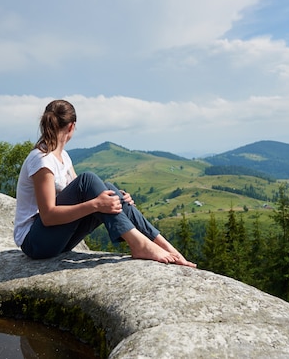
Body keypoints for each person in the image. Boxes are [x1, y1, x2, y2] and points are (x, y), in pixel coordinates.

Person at [14, 99, 196, 267]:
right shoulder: (42, 160)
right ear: (72, 127)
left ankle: (165, 246)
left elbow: (84, 194)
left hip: (56, 239)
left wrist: (118, 199)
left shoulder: (64, 157)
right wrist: (95, 205)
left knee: (108, 190)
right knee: (89, 181)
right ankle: (139, 244)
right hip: (35, 242)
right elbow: (48, 216)